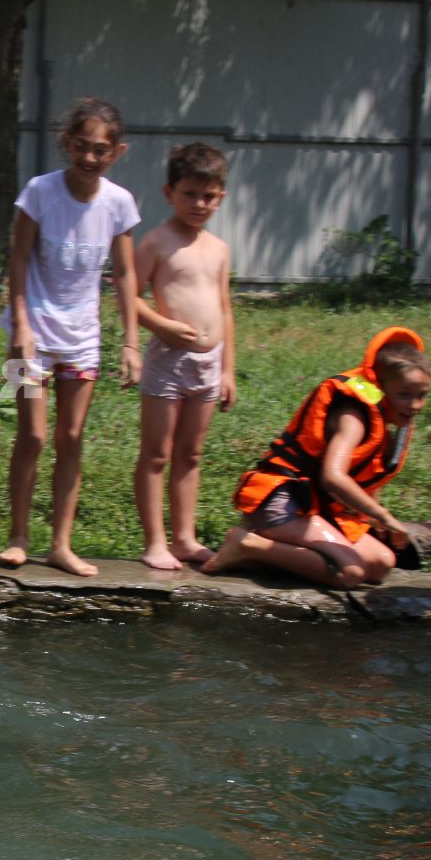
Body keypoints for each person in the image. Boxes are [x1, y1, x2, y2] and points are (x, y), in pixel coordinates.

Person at [0, 98, 141, 577]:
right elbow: (17, 259)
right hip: (32, 332)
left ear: (116, 152)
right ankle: (18, 537)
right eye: (81, 146)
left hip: (82, 337)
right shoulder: (40, 191)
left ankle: (61, 544)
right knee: (34, 435)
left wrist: (130, 342)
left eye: (101, 150)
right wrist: (19, 323)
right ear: (66, 143)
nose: (89, 157)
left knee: (72, 437)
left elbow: (124, 273)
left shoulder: (118, 203)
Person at [203, 327, 431, 587]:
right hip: (282, 503)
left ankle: (265, 554)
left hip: (314, 507)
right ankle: (247, 544)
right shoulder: (354, 417)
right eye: (404, 394)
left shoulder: (384, 420)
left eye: (421, 395)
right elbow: (333, 477)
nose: (414, 405)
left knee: (381, 564)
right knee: (351, 572)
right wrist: (383, 515)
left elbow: (367, 478)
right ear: (379, 386)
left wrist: (370, 520)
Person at [132, 142, 236, 570]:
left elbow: (226, 308)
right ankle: (155, 541)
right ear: (169, 192)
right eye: (189, 194)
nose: (199, 204)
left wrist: (228, 368)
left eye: (208, 196)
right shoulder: (156, 243)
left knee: (191, 454)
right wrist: (161, 325)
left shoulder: (219, 249)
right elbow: (128, 298)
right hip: (168, 362)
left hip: (209, 364)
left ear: (221, 197)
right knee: (157, 453)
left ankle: (185, 538)